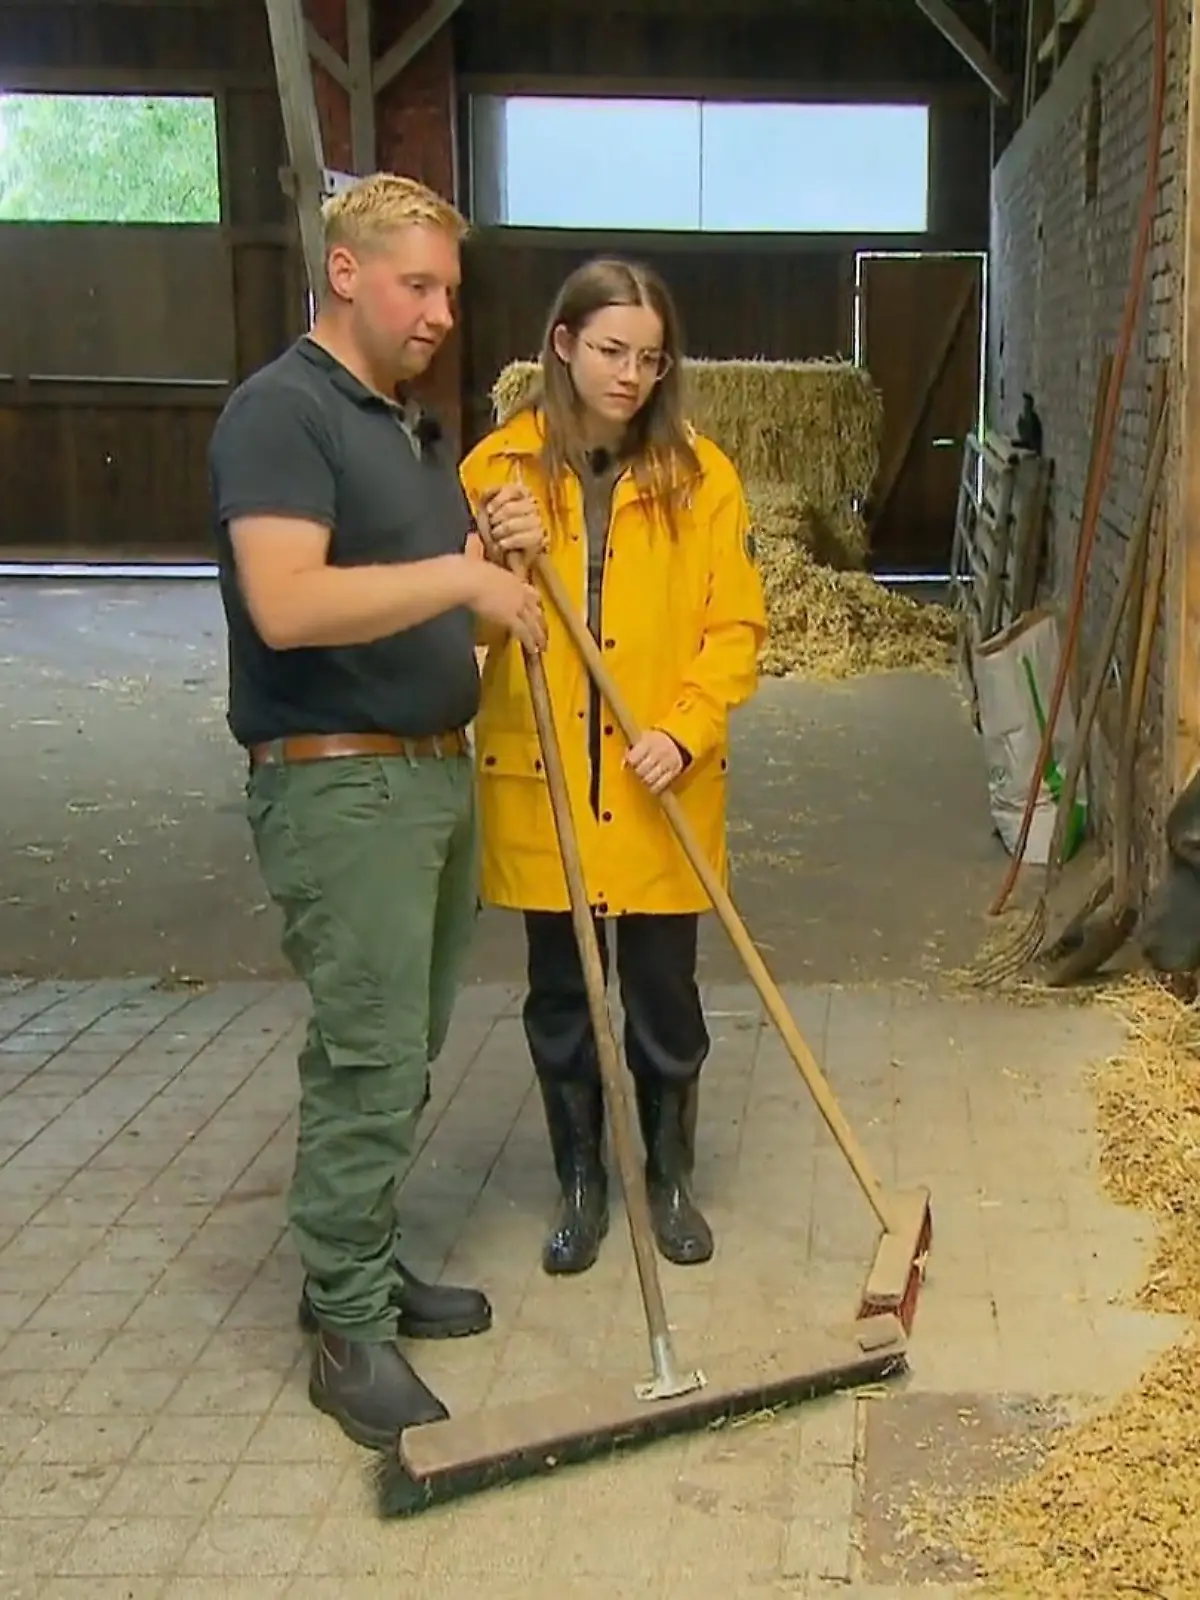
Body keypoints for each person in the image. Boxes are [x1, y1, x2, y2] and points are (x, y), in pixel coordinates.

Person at [206, 172, 547, 1451]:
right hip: (340, 780)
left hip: (427, 768)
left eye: (452, 290)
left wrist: (494, 565)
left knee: (405, 1043)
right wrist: (458, 568)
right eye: (420, 284)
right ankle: (346, 1323)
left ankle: (360, 1257)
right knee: (368, 1051)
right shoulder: (281, 415)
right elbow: (289, 605)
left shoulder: (399, 428)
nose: (444, 312)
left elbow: (442, 623)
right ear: (345, 274)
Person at [460, 257, 767, 1278]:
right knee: (560, 994)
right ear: (561, 345)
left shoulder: (702, 476)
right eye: (608, 351)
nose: (630, 375)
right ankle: (584, 1179)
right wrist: (497, 562)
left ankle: (668, 1175)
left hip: (654, 777)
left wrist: (684, 728)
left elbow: (736, 627)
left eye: (648, 357)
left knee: (662, 993)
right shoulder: (495, 471)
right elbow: (466, 631)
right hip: (545, 777)